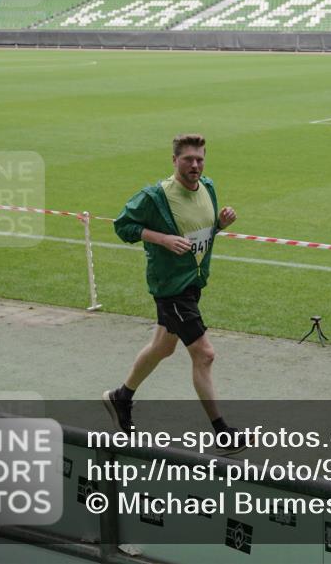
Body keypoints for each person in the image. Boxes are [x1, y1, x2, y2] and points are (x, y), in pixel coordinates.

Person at [105, 133, 246, 454]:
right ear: (174, 161)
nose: (195, 165)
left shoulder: (208, 187)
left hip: (193, 282)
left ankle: (120, 397)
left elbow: (200, 230)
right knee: (204, 354)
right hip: (171, 289)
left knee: (162, 347)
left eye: (200, 159)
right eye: (188, 159)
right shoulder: (155, 197)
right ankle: (222, 432)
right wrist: (162, 239)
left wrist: (220, 225)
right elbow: (122, 226)